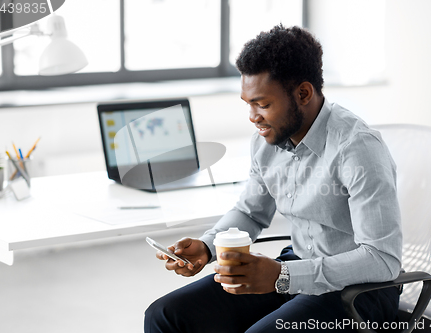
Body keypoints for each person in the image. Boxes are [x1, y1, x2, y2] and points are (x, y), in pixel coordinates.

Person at [144, 24, 402, 333]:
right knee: (165, 315)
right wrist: (207, 245)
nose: (253, 117)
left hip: (362, 291)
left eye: (262, 104)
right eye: (248, 103)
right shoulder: (266, 141)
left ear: (303, 93)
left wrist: (283, 275)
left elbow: (382, 260)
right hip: (297, 267)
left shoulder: (357, 148)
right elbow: (250, 213)